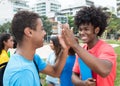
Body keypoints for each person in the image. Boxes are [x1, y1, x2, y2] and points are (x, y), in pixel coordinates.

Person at [3, 10, 68, 86]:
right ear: (29, 32)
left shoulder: (33, 58)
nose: (45, 33)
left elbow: (55, 72)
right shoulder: (23, 72)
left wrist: (65, 49)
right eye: (42, 29)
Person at [62, 6, 116, 86]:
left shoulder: (106, 49)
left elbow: (104, 71)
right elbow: (74, 75)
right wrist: (83, 83)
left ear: (96, 30)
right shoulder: (82, 50)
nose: (82, 32)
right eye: (80, 29)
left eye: (86, 29)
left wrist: (75, 45)